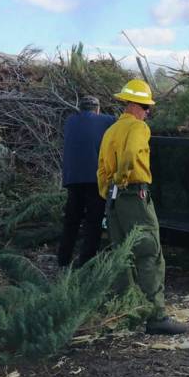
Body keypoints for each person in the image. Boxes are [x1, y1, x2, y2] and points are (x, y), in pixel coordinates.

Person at [97, 79, 188, 335]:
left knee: (121, 256)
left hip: (114, 203)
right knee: (148, 252)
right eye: (147, 108)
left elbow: (101, 168)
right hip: (134, 196)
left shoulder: (111, 130)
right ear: (138, 106)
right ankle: (157, 317)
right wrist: (124, 178)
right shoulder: (138, 127)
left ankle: (128, 314)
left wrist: (109, 190)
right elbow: (129, 155)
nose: (148, 113)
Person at [58, 95, 115, 268]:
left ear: (80, 108)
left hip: (72, 179)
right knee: (94, 222)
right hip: (94, 179)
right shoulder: (108, 120)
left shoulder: (70, 122)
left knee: (72, 220)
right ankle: (86, 262)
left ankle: (63, 260)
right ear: (97, 109)